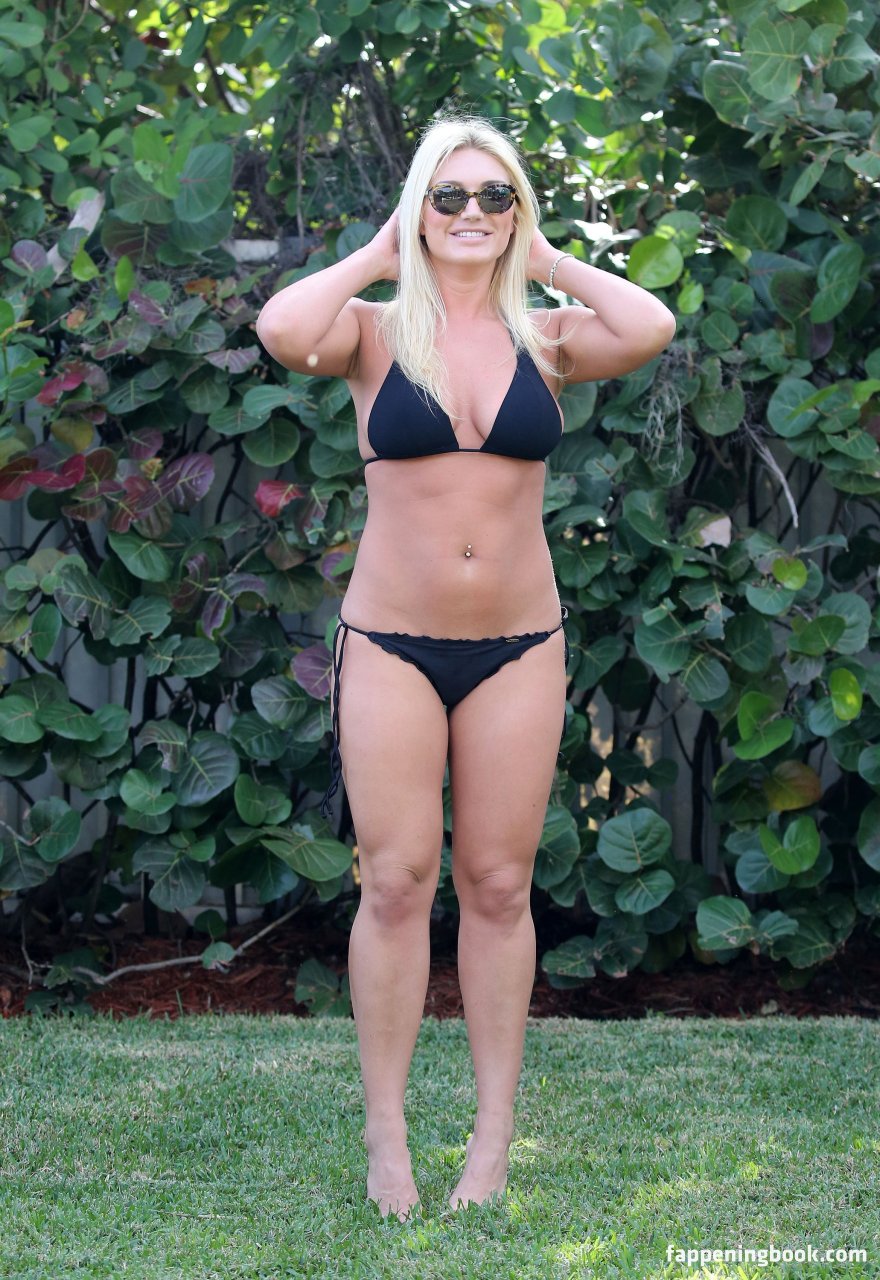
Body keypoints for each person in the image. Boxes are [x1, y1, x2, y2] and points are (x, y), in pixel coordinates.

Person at [256, 113, 676, 1222]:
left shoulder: (550, 337)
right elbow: (280, 326)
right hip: (390, 643)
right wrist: (381, 250)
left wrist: (546, 257)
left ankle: (492, 1139)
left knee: (496, 884)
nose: (473, 213)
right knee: (396, 881)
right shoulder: (370, 332)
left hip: (519, 646)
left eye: (496, 195)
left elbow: (650, 322)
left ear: (518, 209)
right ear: (418, 209)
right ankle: (386, 1135)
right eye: (449, 196)